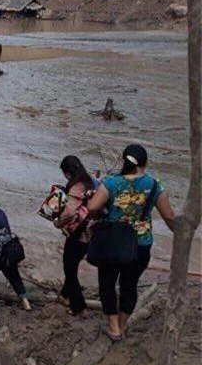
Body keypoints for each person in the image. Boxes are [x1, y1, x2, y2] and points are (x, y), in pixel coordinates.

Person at [87, 144, 175, 341]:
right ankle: (123, 323)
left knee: (107, 285)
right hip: (141, 244)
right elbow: (169, 215)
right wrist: (178, 233)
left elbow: (92, 207)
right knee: (130, 285)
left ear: (124, 161)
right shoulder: (154, 185)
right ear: (145, 163)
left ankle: (114, 327)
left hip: (112, 242)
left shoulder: (111, 183)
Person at [55, 155, 95, 316]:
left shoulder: (76, 187)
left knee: (69, 268)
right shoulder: (90, 183)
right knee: (73, 264)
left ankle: (79, 306)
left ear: (67, 172)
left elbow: (70, 212)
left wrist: (58, 222)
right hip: (91, 232)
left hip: (78, 234)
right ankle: (64, 295)